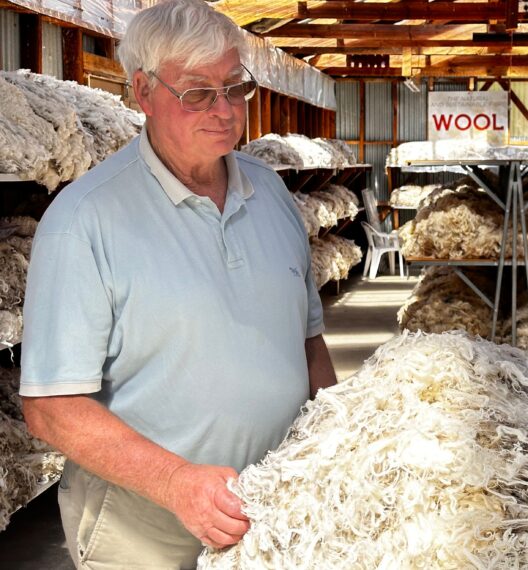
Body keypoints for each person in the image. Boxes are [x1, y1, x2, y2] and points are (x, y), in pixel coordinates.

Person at [18, 0, 337, 567]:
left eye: (235, 89)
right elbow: (52, 406)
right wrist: (175, 483)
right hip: (145, 528)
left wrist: (332, 441)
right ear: (143, 92)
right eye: (197, 93)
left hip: (273, 504)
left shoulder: (271, 197)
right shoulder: (86, 220)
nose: (224, 111)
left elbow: (308, 342)